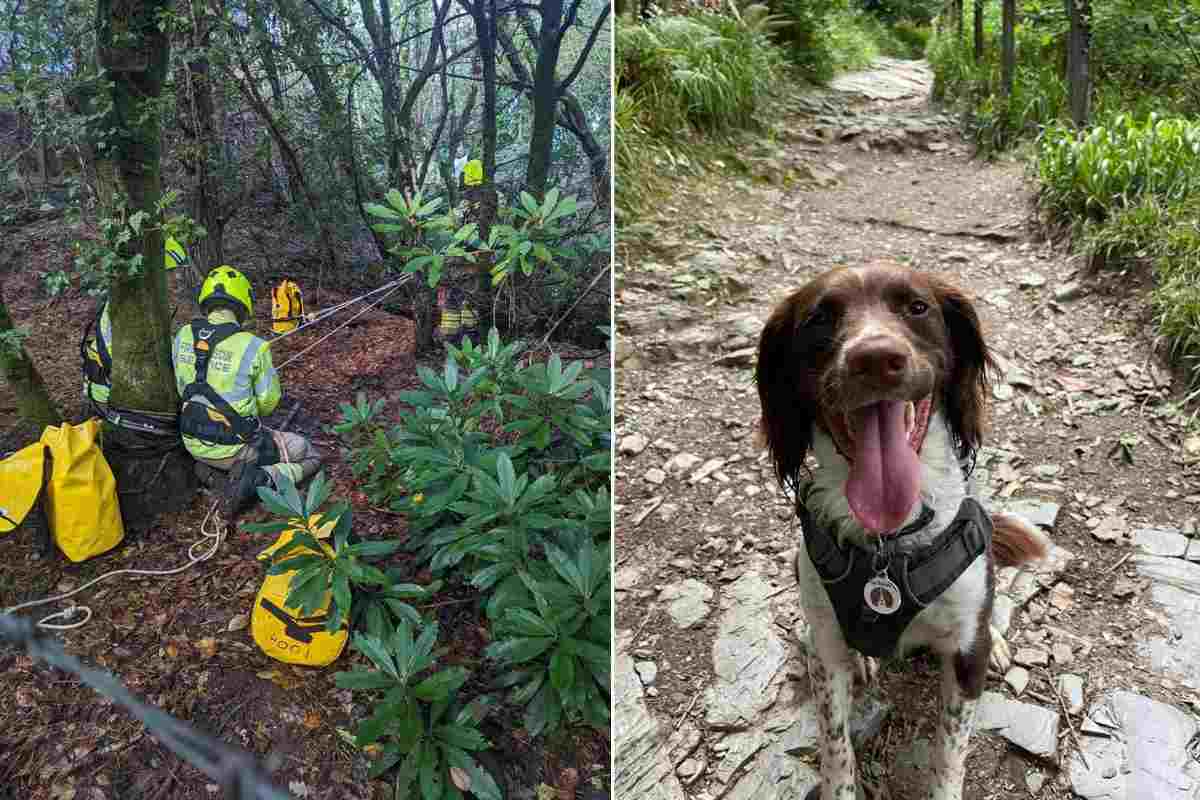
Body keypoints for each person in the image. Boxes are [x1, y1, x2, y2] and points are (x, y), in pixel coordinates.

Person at [172, 266, 321, 517]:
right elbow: (268, 404)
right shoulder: (254, 346)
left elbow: (180, 387)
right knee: (310, 454)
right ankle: (258, 480)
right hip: (234, 448)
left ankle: (211, 474)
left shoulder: (183, 335)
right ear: (243, 303)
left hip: (191, 441)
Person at [81, 236, 191, 414]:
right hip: (108, 396)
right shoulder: (128, 306)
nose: (175, 279)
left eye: (177, 272)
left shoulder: (152, 303)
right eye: (170, 273)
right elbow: (118, 357)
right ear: (154, 275)